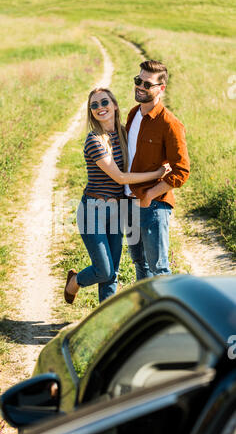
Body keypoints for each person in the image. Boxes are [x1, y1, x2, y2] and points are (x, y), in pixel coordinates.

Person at [64, 87, 171, 304]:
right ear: (91, 112)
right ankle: (75, 281)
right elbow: (120, 178)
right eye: (94, 105)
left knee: (112, 273)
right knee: (103, 270)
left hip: (117, 212)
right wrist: (159, 174)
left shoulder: (124, 134)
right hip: (92, 211)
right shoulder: (94, 141)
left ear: (114, 105)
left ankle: (107, 325)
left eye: (104, 102)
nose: (100, 108)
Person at [125, 60, 190, 280]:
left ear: (161, 88)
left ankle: (166, 314)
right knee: (140, 264)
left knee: (159, 270)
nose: (140, 86)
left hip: (153, 207)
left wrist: (150, 195)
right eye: (138, 80)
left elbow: (181, 170)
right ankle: (145, 313)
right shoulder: (133, 114)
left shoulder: (170, 124)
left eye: (147, 84)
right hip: (130, 201)